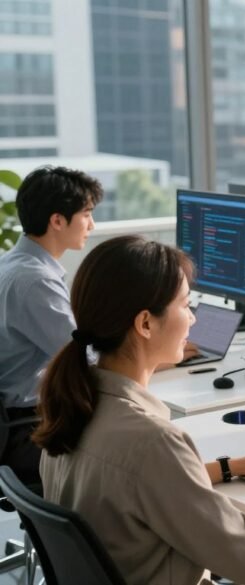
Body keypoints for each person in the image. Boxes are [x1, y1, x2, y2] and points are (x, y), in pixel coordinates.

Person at [34, 235, 245, 585]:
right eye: (186, 306)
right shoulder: (152, 442)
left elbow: (135, 483)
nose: (193, 319)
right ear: (145, 324)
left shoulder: (72, 406)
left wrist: (232, 467)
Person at [0, 166, 102, 484]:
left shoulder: (13, 263)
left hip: (16, 419)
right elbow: (84, 359)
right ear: (57, 220)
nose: (92, 224)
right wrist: (156, 356)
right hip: (27, 428)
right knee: (125, 454)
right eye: (86, 214)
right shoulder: (35, 281)